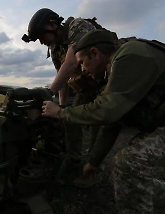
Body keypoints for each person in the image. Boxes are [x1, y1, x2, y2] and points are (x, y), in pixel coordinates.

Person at [42, 29, 165, 213]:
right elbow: (112, 123)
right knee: (132, 172)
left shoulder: (129, 55)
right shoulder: (115, 70)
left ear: (95, 53)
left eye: (82, 63)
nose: (83, 70)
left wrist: (60, 113)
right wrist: (94, 162)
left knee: (127, 165)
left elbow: (106, 112)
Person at [22, 8, 107, 187]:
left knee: (97, 125)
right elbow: (63, 78)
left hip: (106, 80)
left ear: (52, 25)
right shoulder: (55, 49)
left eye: (41, 36)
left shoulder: (77, 27)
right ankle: (74, 159)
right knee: (69, 118)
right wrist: (60, 107)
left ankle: (93, 170)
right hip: (87, 86)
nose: (41, 42)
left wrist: (48, 93)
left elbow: (71, 62)